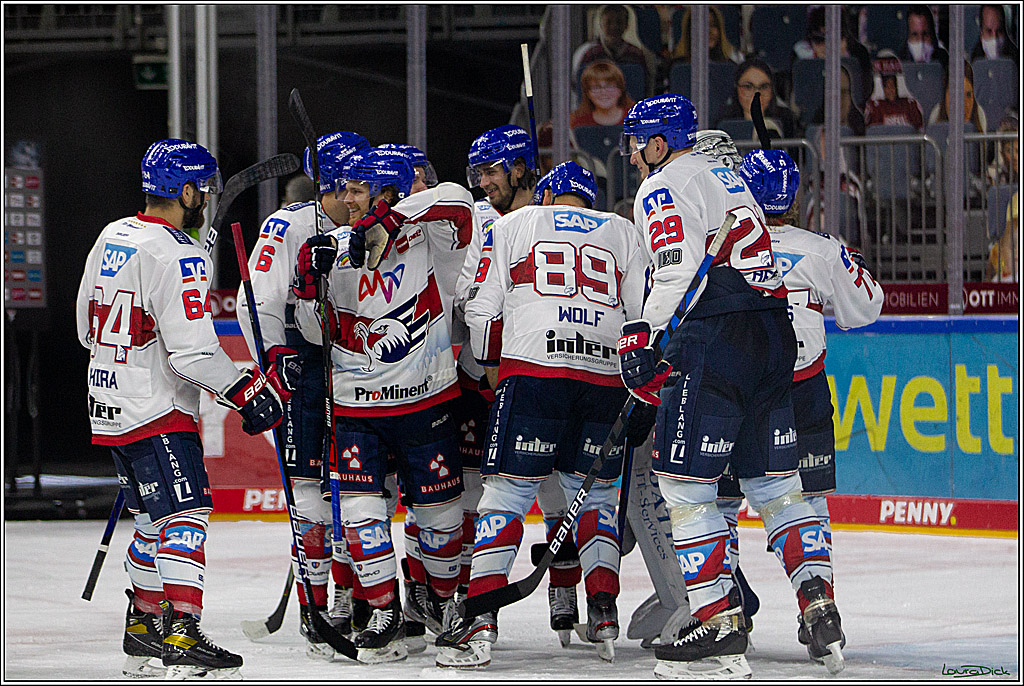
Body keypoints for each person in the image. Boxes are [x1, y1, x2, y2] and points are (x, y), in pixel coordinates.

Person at [618, 94, 843, 679]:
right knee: (775, 484)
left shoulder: (662, 184)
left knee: (686, 488)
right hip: (775, 337)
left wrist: (643, 340)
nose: (634, 156)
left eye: (639, 142)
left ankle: (717, 621)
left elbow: (675, 271)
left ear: (660, 142)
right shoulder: (731, 176)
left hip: (718, 336)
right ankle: (818, 600)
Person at [76, 139, 284, 679]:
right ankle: (182, 633)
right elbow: (193, 352)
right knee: (185, 516)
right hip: (156, 407)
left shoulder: (111, 235)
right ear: (185, 191)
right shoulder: (180, 253)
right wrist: (247, 391)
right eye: (204, 190)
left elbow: (84, 327)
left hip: (108, 402)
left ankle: (144, 627)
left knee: (151, 521)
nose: (208, 198)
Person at [436, 161, 647, 668]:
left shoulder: (514, 222)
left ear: (548, 196)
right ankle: (603, 612)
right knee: (595, 494)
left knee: (507, 493)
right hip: (605, 378)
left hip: (533, 374)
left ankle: (480, 620)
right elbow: (643, 316)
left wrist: (494, 369)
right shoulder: (623, 231)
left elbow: (482, 314)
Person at [292, 147, 473, 663]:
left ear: (387, 190)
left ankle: (438, 603)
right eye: (344, 188)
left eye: (356, 189)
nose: (345, 199)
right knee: (359, 517)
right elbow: (315, 331)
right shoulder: (329, 244)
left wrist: (387, 218)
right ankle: (386, 611)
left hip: (427, 401)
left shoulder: (427, 231)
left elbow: (458, 203)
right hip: (355, 406)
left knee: (442, 524)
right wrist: (310, 288)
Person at [718, 149, 883, 667]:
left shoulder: (718, 248)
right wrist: (836, 256)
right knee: (806, 501)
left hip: (738, 391)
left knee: (717, 501)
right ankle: (820, 608)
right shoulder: (820, 248)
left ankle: (727, 611)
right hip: (804, 389)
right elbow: (868, 307)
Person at [236, 131, 370, 659]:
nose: (368, 193)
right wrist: (272, 358)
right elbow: (256, 303)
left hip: (361, 371)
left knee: (361, 489)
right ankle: (317, 607)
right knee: (310, 489)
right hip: (306, 372)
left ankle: (355, 598)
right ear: (338, 183)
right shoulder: (288, 225)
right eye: (358, 182)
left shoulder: (373, 224)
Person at [454, 124, 586, 647]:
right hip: (492, 374)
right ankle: (476, 605)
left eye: (491, 171)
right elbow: (467, 295)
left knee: (559, 486)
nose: (483, 183)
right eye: (479, 173)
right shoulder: (483, 222)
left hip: (550, 366)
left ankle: (566, 588)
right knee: (491, 491)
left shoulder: (560, 219)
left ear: (517, 168)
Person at [572, 4, 658, 96]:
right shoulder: (591, 54)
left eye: (619, 22)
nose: (614, 27)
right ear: (601, 24)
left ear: (626, 25)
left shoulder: (636, 54)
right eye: (608, 22)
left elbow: (644, 88)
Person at [717, 58, 799, 139]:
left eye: (764, 87)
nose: (757, 94)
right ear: (736, 87)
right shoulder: (724, 121)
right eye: (748, 87)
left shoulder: (786, 119)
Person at [864, 52, 924, 130]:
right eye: (886, 87)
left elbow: (919, 129)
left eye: (892, 86)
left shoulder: (910, 105)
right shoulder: (874, 108)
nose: (890, 90)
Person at [928, 59, 988, 133]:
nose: (963, 104)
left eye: (968, 95)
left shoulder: (979, 114)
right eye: (955, 95)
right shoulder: (936, 115)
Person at [671, 6, 740, 63]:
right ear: (689, 32)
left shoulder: (730, 66)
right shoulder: (675, 68)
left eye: (713, 25)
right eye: (701, 26)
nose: (709, 31)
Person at [811, 65, 867, 136]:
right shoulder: (815, 131)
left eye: (844, 92)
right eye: (833, 94)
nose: (839, 100)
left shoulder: (860, 128)